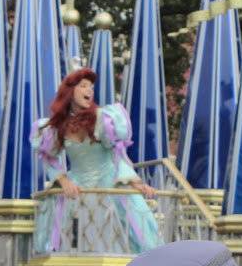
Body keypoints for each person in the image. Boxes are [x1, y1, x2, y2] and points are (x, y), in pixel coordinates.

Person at [30, 67, 159, 254]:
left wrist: (134, 183)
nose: (89, 90)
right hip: (78, 185)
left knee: (131, 229)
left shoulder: (104, 119)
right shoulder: (57, 126)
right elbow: (47, 156)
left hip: (107, 182)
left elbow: (118, 155)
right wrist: (63, 180)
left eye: (91, 87)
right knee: (67, 229)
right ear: (70, 91)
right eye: (83, 86)